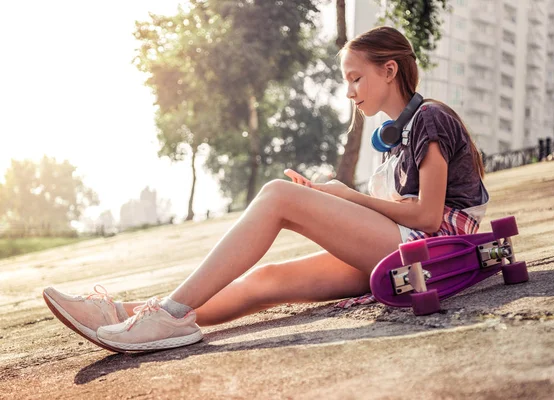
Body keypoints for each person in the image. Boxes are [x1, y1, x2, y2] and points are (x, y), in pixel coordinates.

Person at [43, 26, 489, 352]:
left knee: (277, 195)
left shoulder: (430, 117)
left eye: (356, 78)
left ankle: (170, 316)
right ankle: (122, 313)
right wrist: (330, 200)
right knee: (266, 281)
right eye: (346, 81)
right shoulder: (399, 133)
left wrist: (343, 196)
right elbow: (399, 212)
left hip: (434, 253)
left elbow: (430, 218)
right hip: (404, 250)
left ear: (389, 70)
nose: (350, 92)